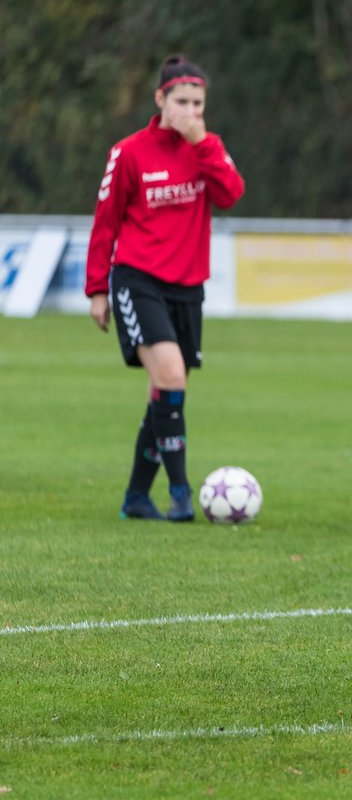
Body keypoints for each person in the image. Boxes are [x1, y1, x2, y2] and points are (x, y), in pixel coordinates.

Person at [87, 54, 245, 521]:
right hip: (138, 280)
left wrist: (202, 145)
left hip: (187, 286)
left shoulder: (208, 148)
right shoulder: (130, 152)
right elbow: (105, 223)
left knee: (166, 390)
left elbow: (231, 193)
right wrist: (98, 288)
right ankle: (180, 494)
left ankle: (136, 497)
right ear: (160, 100)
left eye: (198, 103)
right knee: (171, 377)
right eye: (182, 101)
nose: (191, 111)